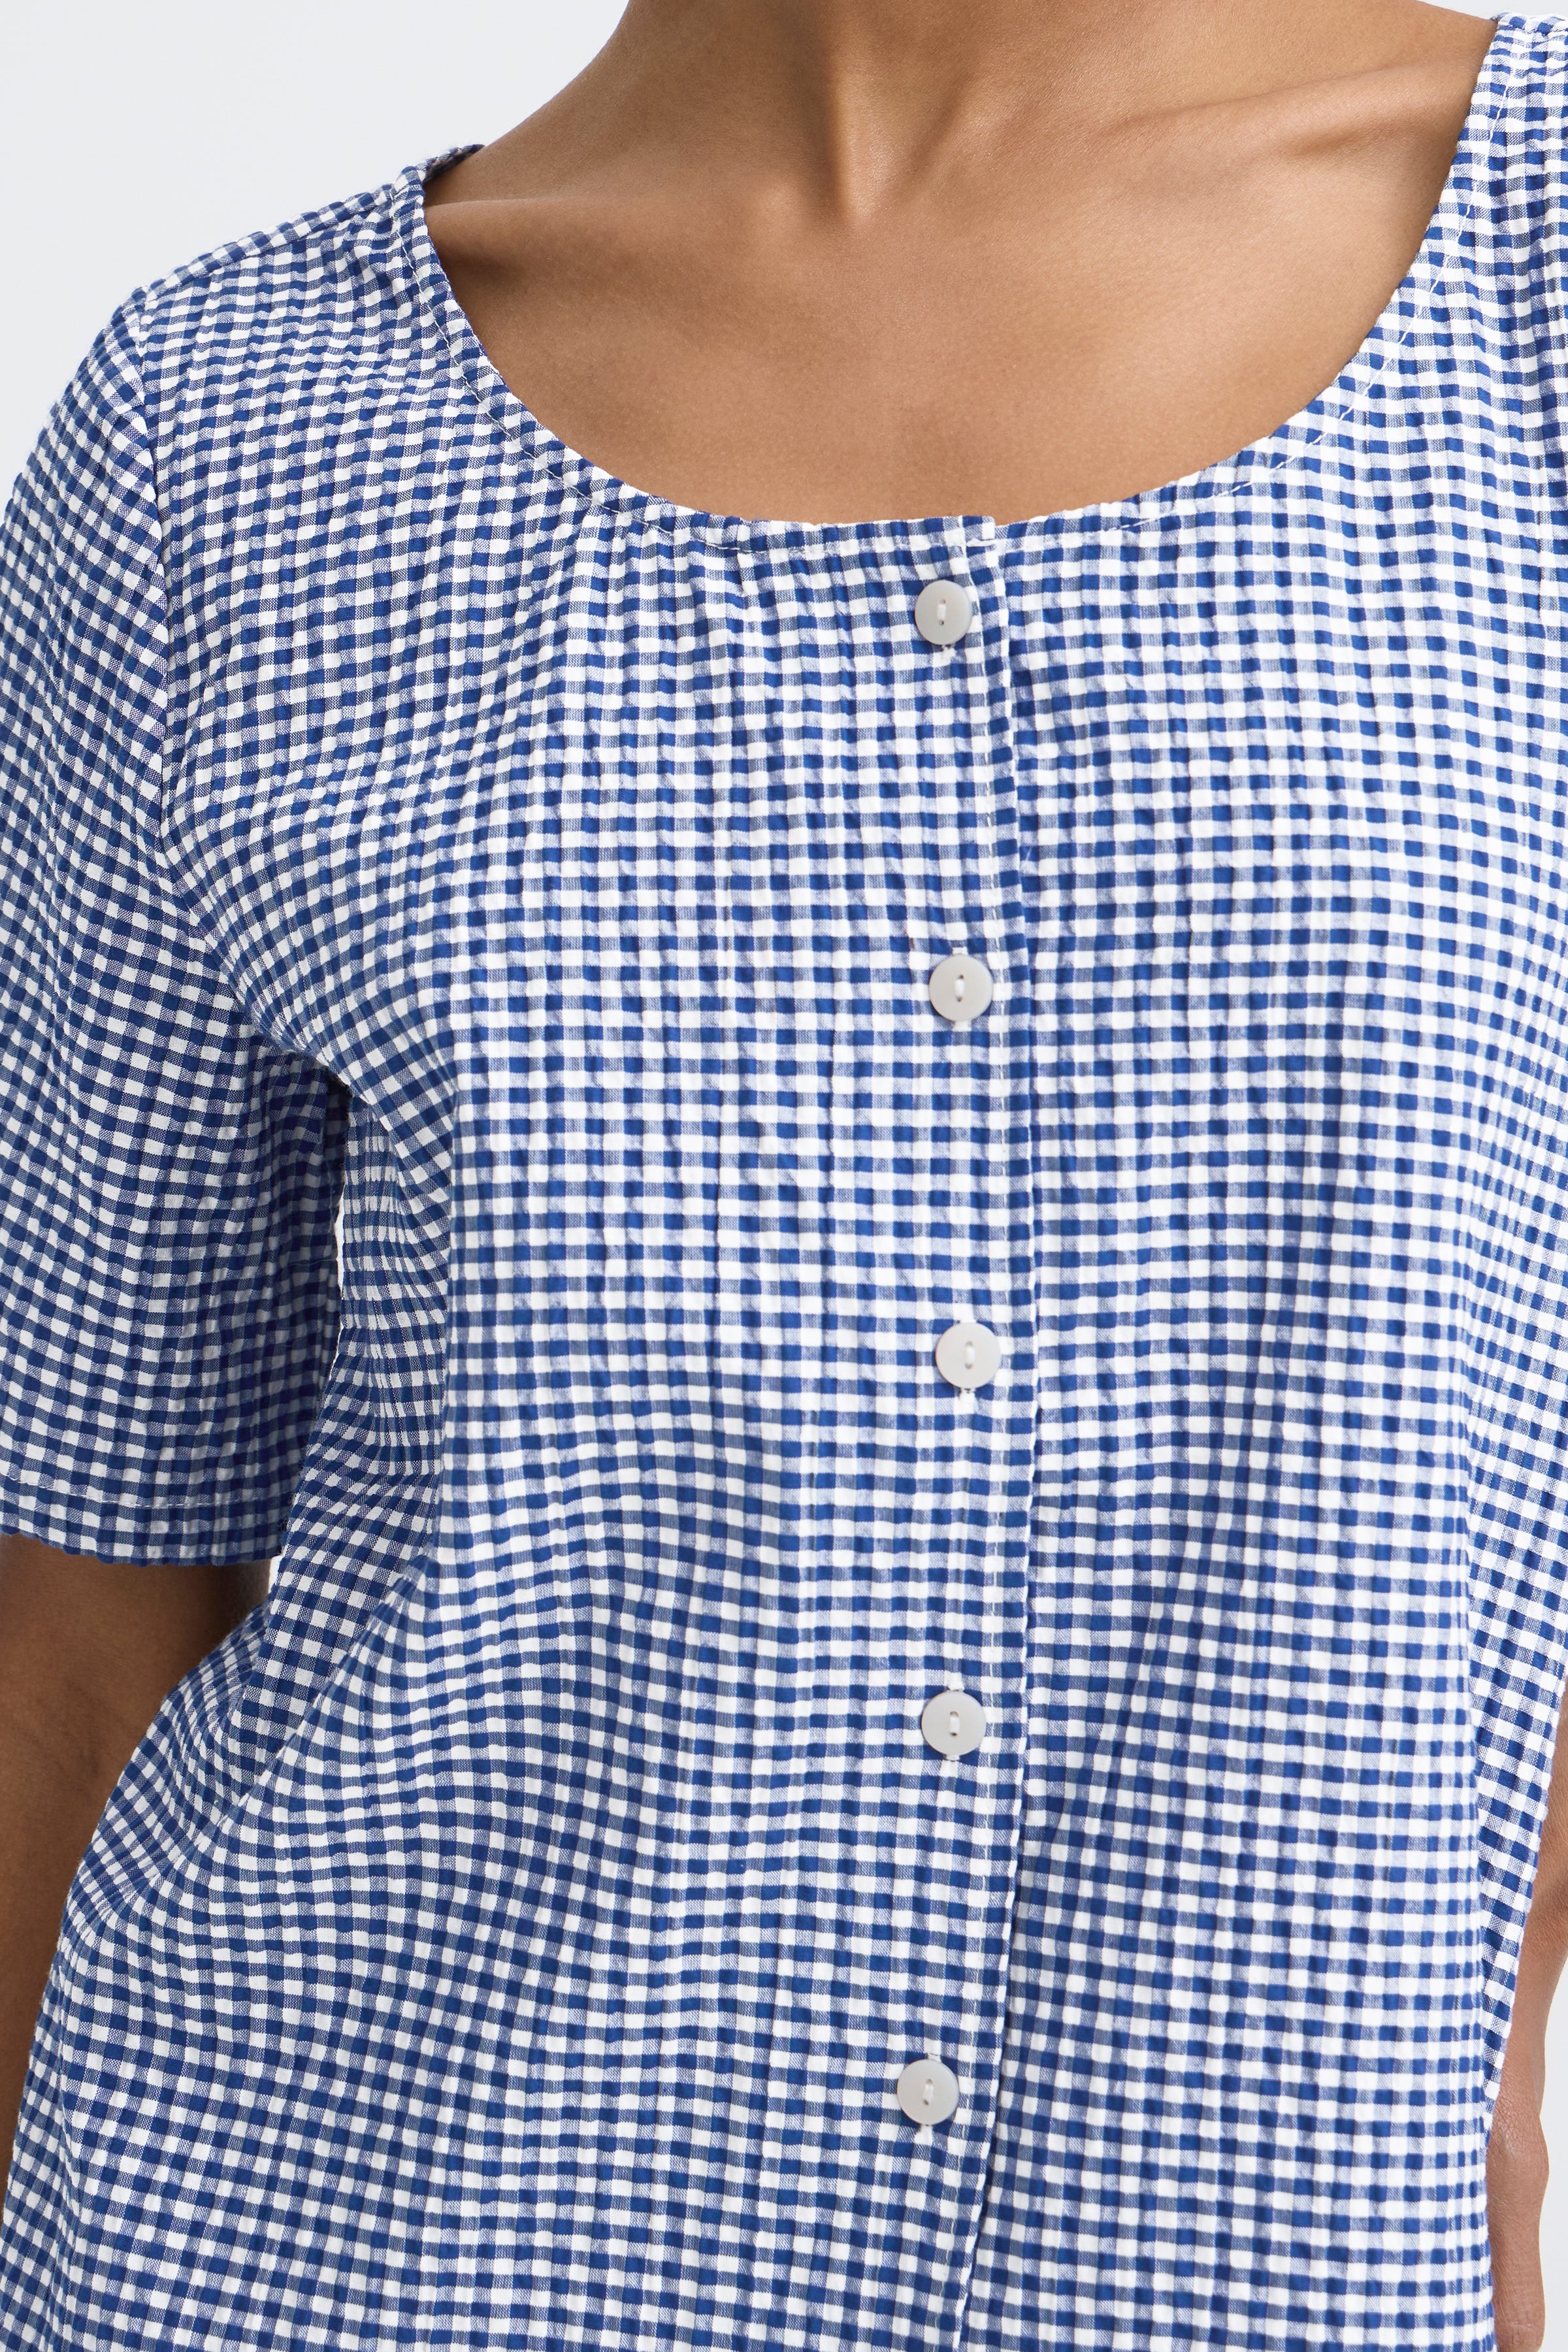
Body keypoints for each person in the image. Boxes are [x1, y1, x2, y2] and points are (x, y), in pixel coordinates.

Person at [1, 0, 1564, 2344]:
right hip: (323, 2247)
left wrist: (1477, 2091)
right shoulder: (215, 428)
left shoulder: (1527, 250)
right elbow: (87, 1589)